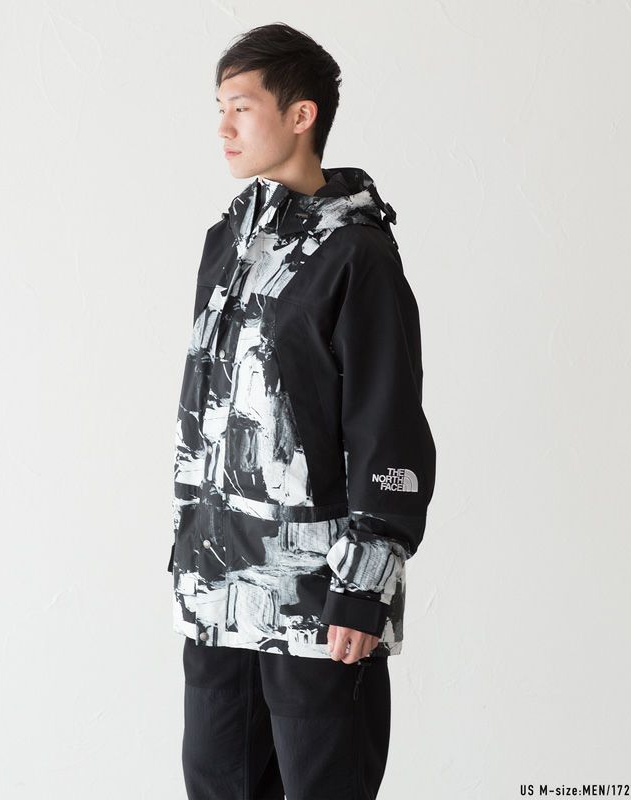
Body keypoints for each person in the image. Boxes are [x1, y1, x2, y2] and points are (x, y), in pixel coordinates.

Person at [166, 21, 437, 799]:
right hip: (217, 587)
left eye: (241, 106)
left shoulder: (357, 253)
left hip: (318, 596)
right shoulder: (226, 242)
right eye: (219, 107)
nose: (223, 126)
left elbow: (388, 423)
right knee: (216, 783)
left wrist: (365, 585)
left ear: (300, 115)